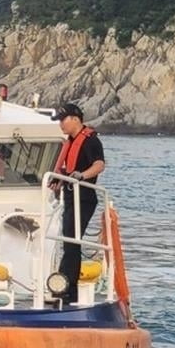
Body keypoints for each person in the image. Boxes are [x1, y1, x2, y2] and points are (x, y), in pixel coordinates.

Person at [50, 103, 105, 304]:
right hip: (71, 196)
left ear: (75, 119)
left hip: (84, 197)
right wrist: (57, 181)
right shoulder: (70, 142)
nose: (61, 125)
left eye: (63, 120)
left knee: (72, 242)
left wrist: (82, 176)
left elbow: (99, 164)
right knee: (69, 241)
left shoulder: (91, 141)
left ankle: (67, 288)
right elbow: (66, 167)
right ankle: (66, 286)